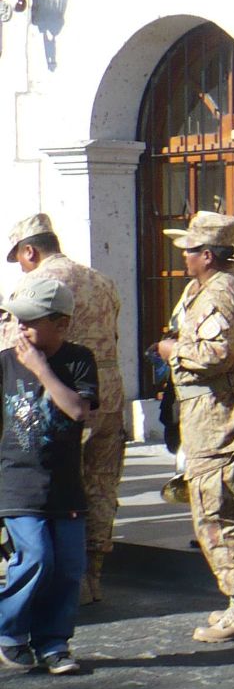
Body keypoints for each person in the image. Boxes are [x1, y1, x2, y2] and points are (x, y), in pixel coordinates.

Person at [157, 212, 234, 643]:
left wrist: (173, 350)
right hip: (212, 413)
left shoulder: (222, 291)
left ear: (207, 255)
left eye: (189, 250)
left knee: (219, 512)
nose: (183, 257)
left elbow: (215, 353)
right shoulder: (206, 288)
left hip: (218, 415)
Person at [6, 214, 124, 605]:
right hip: (107, 390)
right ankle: (91, 577)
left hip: (55, 396)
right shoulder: (101, 281)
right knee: (101, 484)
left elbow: (16, 351)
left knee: (58, 483)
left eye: (20, 257)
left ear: (30, 251)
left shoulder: (35, 285)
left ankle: (47, 582)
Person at [0, 278, 98, 676]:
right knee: (36, 556)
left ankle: (54, 643)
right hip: (18, 482)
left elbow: (78, 410)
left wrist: (41, 370)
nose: (21, 330)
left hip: (65, 485)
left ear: (61, 325)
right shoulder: (4, 363)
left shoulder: (78, 360)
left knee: (69, 566)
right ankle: (10, 632)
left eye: (30, 322)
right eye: (17, 322)